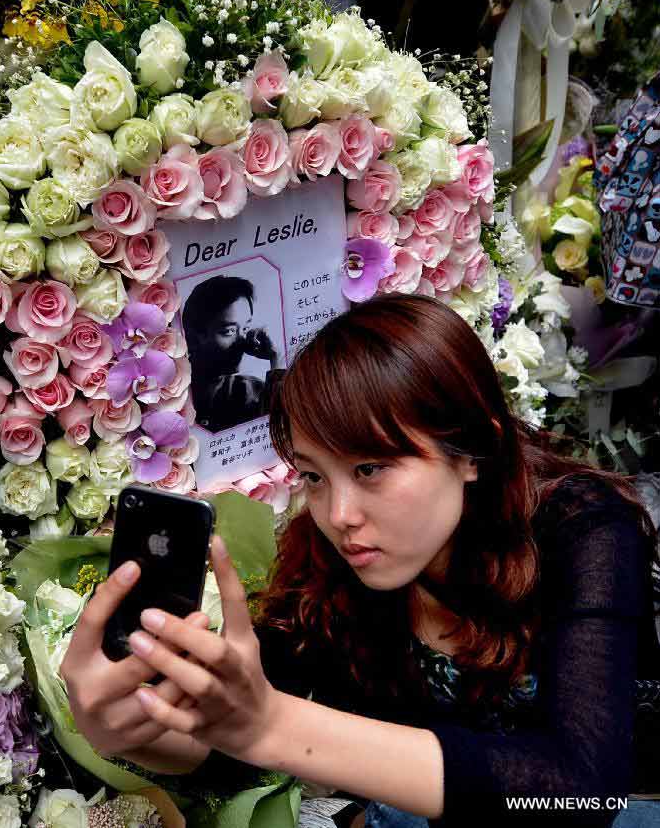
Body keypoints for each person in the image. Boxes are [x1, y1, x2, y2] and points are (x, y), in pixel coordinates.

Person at [60, 294, 660, 827]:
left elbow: (584, 792)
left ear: (472, 453)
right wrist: (141, 728)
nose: (339, 513)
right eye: (314, 476)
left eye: (370, 468)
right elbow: (225, 743)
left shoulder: (582, 525)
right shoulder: (326, 561)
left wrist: (271, 725)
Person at [181, 275, 283, 433]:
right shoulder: (173, 392)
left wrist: (276, 358)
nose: (242, 340)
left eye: (245, 328)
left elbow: (281, 430)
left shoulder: (253, 392)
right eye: (229, 331)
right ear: (196, 335)